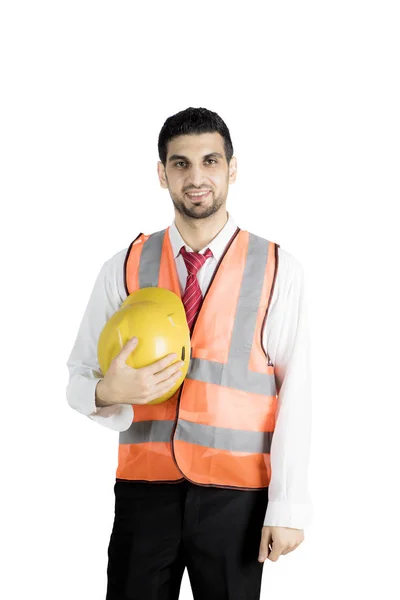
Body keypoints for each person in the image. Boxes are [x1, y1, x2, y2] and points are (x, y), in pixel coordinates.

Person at [66, 106, 313, 600]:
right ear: (162, 174)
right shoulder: (125, 266)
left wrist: (287, 507)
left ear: (232, 169)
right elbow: (78, 377)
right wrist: (105, 391)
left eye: (210, 161)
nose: (196, 177)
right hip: (144, 492)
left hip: (237, 499)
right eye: (181, 164)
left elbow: (297, 392)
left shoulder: (277, 267)